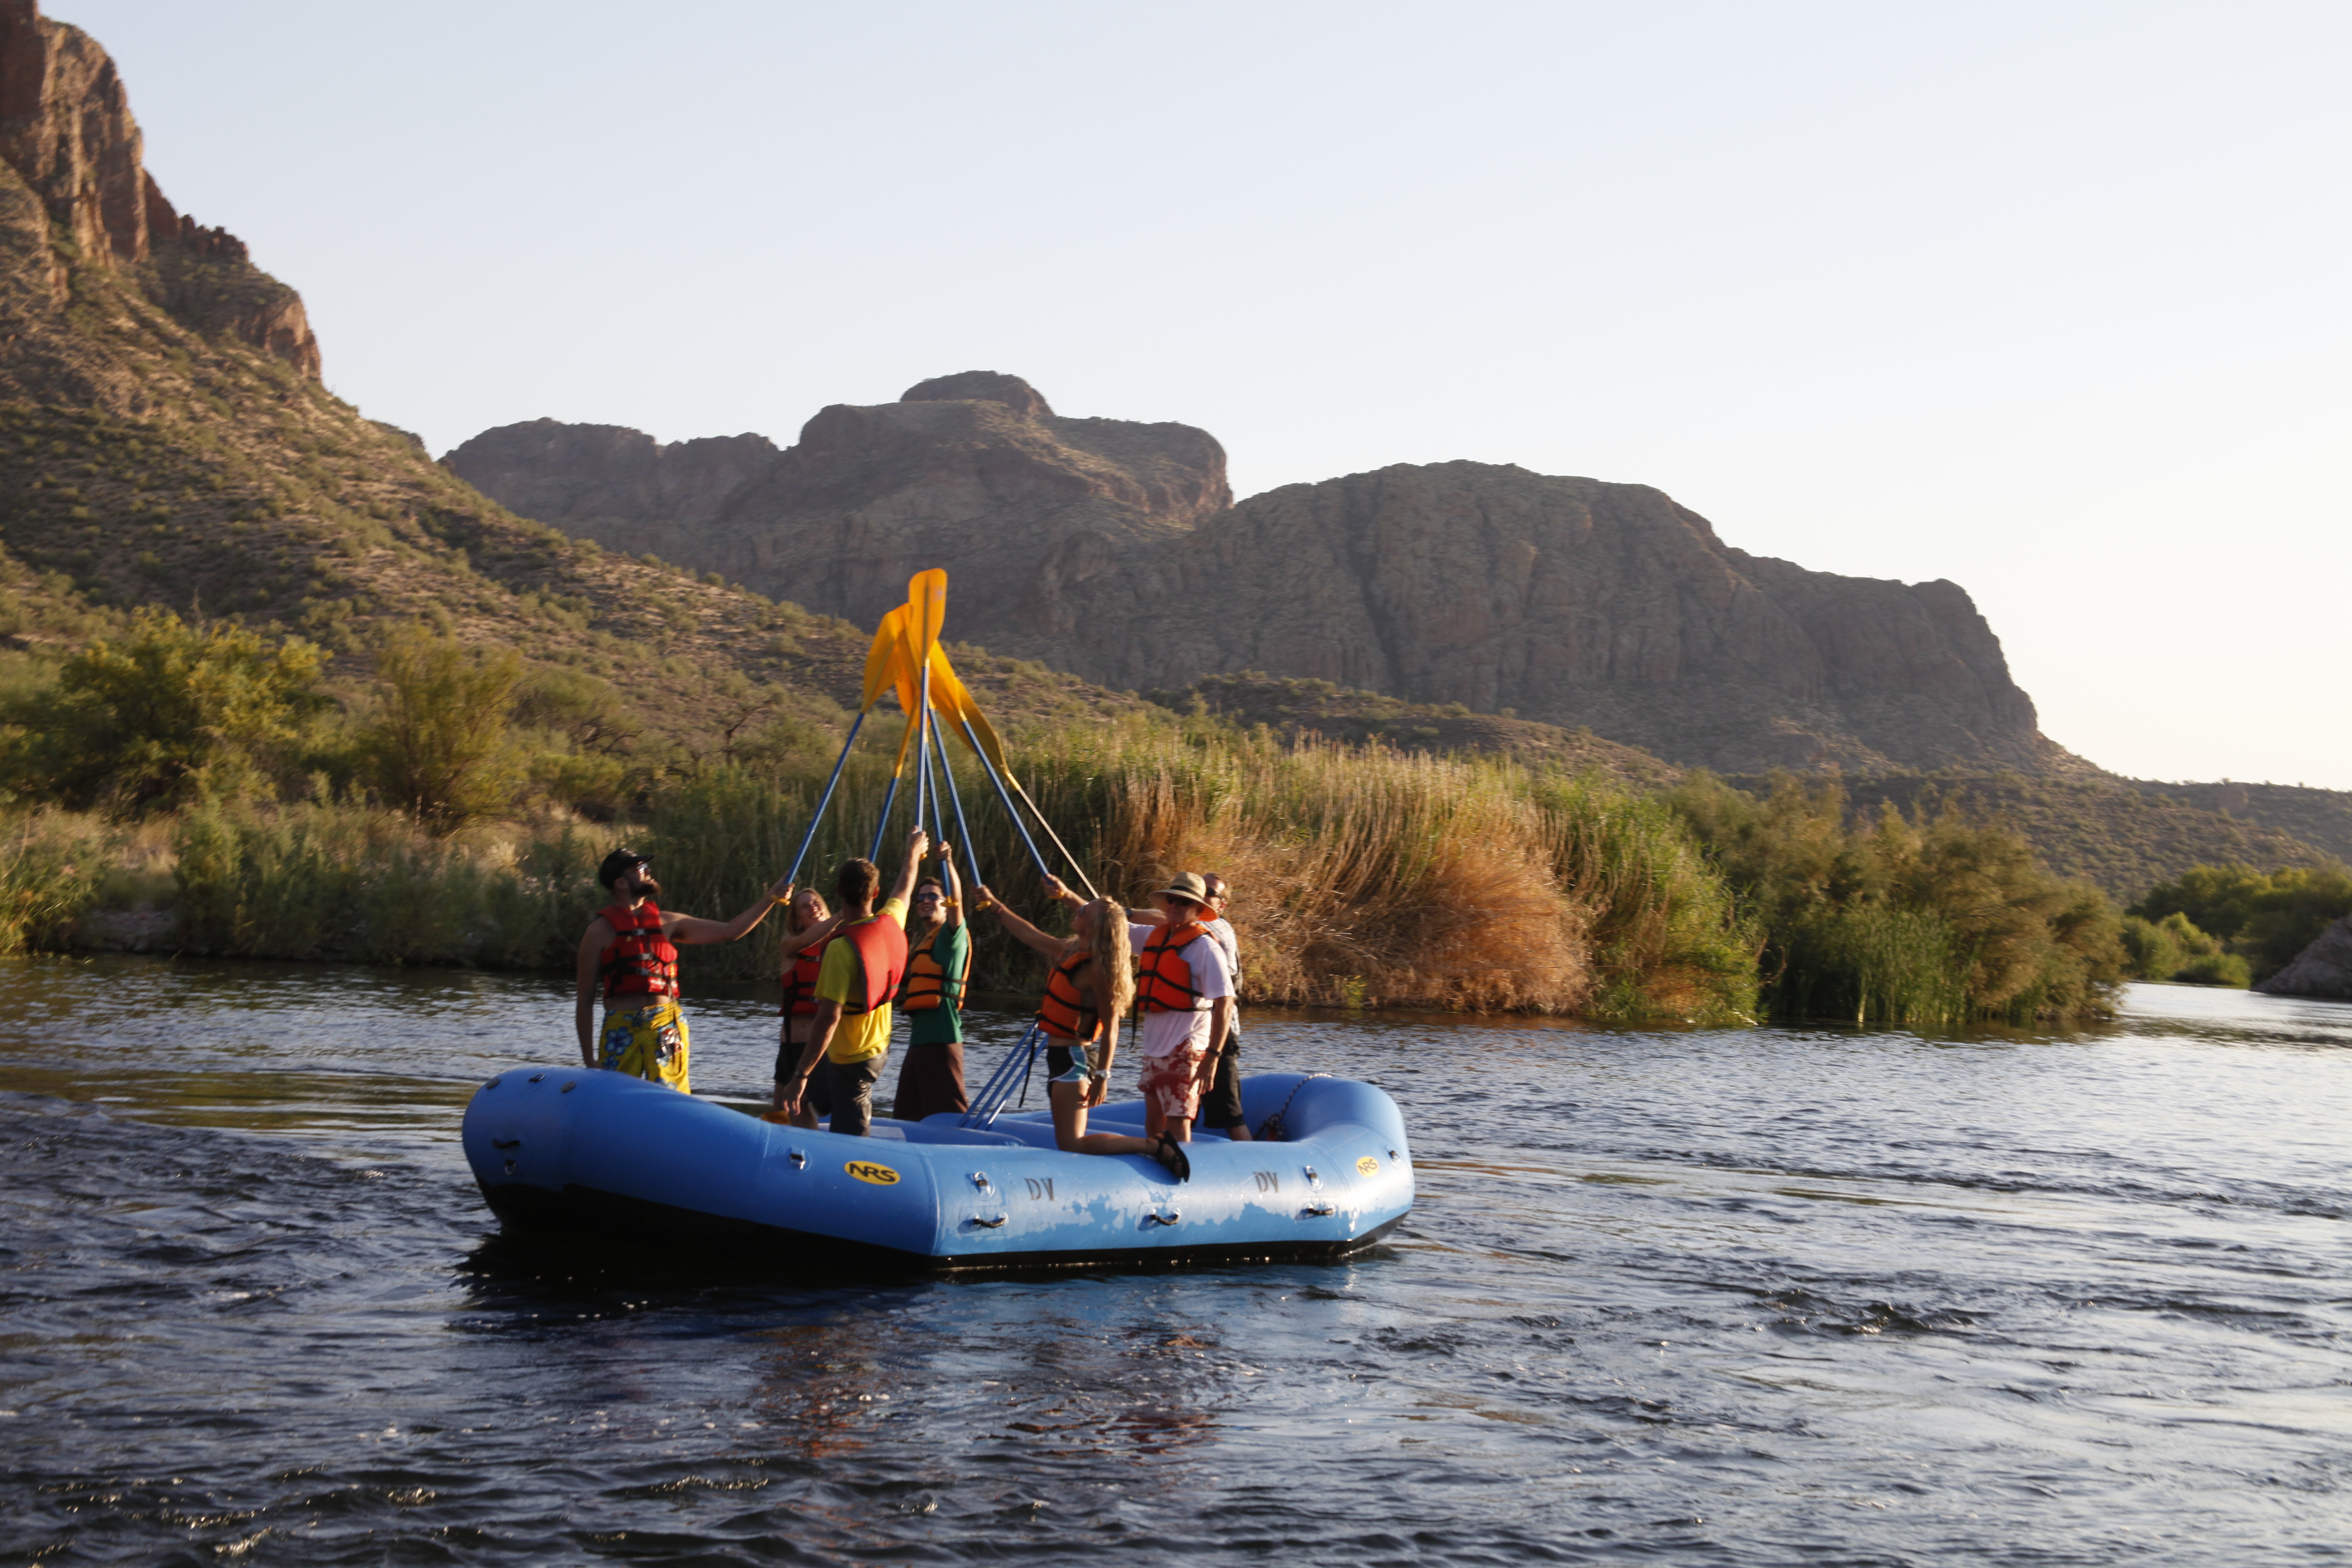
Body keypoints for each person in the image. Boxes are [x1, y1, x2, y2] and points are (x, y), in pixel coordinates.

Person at [974, 882, 1190, 1179]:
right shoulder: (1071, 949)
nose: (1080, 908)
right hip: (1059, 1057)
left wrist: (1103, 1076)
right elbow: (1030, 936)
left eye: (1087, 909)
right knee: (1068, 1142)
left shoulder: (1098, 970)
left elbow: (1112, 1025)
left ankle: (1155, 1146)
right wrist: (995, 905)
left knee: (1072, 1142)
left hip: (1074, 1061)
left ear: (1096, 924)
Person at [575, 848, 793, 1094]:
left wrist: (771, 897)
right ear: (621, 882)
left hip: (665, 1025)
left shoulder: (669, 922)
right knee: (613, 1098)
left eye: (646, 867)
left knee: (670, 1098)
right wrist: (588, 1060)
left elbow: (731, 930)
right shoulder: (597, 933)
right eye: (639, 868)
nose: (647, 871)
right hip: (620, 1027)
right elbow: (584, 1001)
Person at [1041, 869, 1236, 1145]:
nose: (1175, 907)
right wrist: (1065, 895)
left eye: (1184, 902)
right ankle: (1158, 1161)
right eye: (1172, 900)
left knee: (1178, 1119)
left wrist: (1213, 1057)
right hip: (1155, 1046)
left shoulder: (1205, 947)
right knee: (1153, 1121)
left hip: (1186, 1046)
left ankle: (1183, 1169)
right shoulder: (1154, 936)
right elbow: (1102, 921)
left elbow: (1225, 1002)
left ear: (1198, 909)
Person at [778, 828, 927, 1136]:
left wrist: (801, 1074)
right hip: (873, 1048)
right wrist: (913, 852)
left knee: (851, 1136)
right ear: (875, 893)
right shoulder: (891, 920)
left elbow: (828, 1019)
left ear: (837, 892)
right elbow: (905, 886)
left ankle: (858, 1169)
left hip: (853, 1060)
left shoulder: (841, 949)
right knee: (806, 1094)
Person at [891, 844, 971, 1122]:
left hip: (942, 1039)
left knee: (951, 1115)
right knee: (906, 1115)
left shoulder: (951, 936)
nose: (926, 901)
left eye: (933, 897)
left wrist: (947, 862)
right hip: (919, 1042)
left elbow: (957, 902)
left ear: (944, 901)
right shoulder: (922, 941)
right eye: (921, 897)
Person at [769, 887, 844, 1119]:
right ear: (798, 920)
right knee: (781, 1109)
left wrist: (843, 918)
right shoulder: (790, 945)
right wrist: (842, 915)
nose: (813, 907)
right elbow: (807, 940)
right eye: (805, 906)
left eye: (817, 903)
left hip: (818, 1046)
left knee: (814, 1105)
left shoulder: (838, 945)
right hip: (790, 1044)